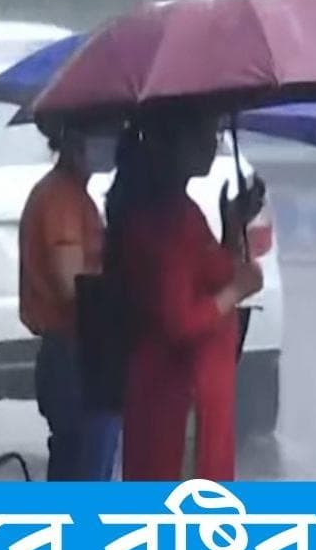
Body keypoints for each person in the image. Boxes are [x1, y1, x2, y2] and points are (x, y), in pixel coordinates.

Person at [106, 112, 264, 482]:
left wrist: (232, 223)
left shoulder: (177, 209)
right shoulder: (167, 220)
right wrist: (235, 292)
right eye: (207, 132)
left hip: (177, 387)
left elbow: (205, 275)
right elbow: (178, 320)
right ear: (173, 143)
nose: (215, 143)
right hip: (180, 397)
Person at [19, 120, 121, 480]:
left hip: (77, 353)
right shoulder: (60, 199)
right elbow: (72, 286)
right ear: (72, 139)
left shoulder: (75, 196)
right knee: (85, 474)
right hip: (74, 354)